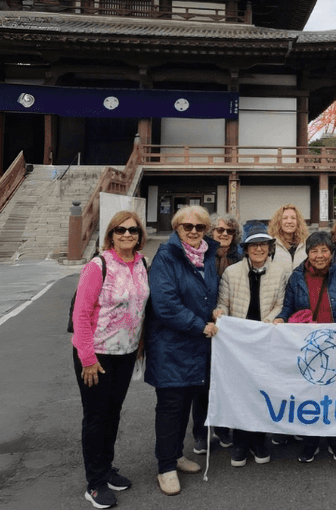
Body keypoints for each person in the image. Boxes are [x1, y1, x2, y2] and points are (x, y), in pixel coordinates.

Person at [71, 211, 150, 509]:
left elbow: (140, 307)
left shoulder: (142, 263)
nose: (127, 235)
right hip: (96, 354)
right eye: (121, 230)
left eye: (133, 230)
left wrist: (140, 343)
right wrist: (87, 358)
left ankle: (106, 467)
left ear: (140, 235)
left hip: (126, 353)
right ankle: (94, 483)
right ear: (111, 234)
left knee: (113, 413)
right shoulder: (98, 266)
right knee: (95, 417)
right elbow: (81, 313)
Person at [145, 205, 220, 497]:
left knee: (186, 403)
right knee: (170, 407)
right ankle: (165, 467)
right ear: (176, 228)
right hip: (172, 345)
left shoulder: (207, 256)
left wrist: (216, 309)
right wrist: (200, 325)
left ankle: (176, 455)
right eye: (186, 226)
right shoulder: (166, 256)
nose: (192, 231)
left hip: (197, 346)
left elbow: (206, 294)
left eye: (199, 227)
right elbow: (165, 305)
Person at [275, 230, 336, 462]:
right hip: (308, 346)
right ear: (308, 253)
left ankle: (335, 440)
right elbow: (288, 306)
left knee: (335, 394)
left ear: (331, 253)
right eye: (314, 251)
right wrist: (281, 318)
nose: (320, 255)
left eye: (324, 250)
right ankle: (310, 440)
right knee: (309, 395)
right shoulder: (296, 277)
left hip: (335, 344)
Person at [216, 224, 290, 467]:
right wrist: (221, 313)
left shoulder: (280, 272)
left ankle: (259, 440)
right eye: (253, 244)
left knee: (262, 391)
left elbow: (281, 303)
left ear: (269, 248)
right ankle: (240, 442)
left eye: (263, 244)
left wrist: (266, 324)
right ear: (246, 249)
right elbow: (223, 303)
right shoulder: (231, 272)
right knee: (239, 392)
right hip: (238, 342)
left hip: (267, 339)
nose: (258, 248)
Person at [268, 204, 309, 270]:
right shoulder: (271, 245)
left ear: (298, 222)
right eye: (285, 218)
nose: (289, 221)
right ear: (278, 222)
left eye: (293, 218)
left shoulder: (306, 245)